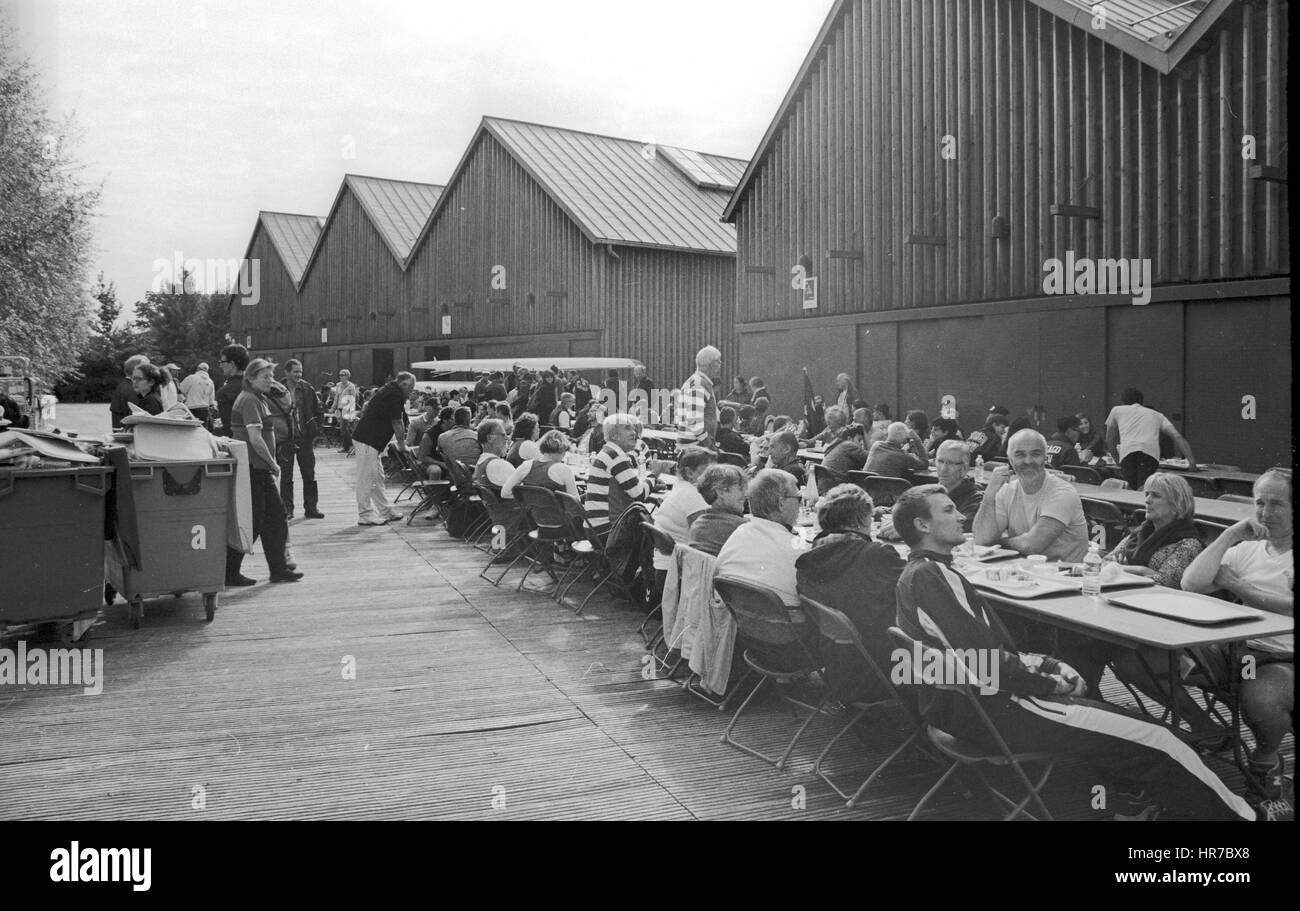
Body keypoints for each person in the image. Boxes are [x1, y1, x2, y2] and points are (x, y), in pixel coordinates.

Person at [892, 485, 1276, 822]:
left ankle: (1135, 802)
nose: (961, 515)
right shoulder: (933, 576)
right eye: (947, 510)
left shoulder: (919, 573)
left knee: (1119, 722)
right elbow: (985, 665)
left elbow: (976, 655)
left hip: (962, 709)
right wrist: (1050, 683)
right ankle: (1249, 816)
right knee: (1158, 737)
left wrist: (1045, 663)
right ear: (922, 526)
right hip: (999, 712)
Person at [1182, 470, 1294, 800]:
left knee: (1260, 697)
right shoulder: (1248, 550)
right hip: (1243, 650)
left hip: (1284, 655)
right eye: (1259, 503)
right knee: (1161, 658)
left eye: (1277, 504)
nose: (1265, 513)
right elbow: (1192, 582)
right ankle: (1198, 736)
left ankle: (1266, 756)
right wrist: (1230, 534)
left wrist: (1237, 585)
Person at [1102, 474, 1214, 739]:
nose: (1147, 501)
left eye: (1155, 495)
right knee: (1086, 643)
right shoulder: (1142, 532)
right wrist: (1134, 570)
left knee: (1124, 660)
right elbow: (1107, 561)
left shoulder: (1188, 543)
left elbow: (1164, 585)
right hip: (1128, 616)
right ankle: (1097, 707)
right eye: (1146, 494)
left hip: (1169, 630)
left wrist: (1122, 569)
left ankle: (1203, 725)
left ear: (1177, 504)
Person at [796, 484, 905, 702]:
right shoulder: (875, 555)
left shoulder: (813, 553)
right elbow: (916, 585)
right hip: (882, 668)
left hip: (837, 664)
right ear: (863, 520)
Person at [228, 359, 302, 584]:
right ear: (250, 378)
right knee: (258, 520)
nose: (271, 380)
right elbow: (255, 439)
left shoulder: (257, 398)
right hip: (254, 468)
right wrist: (273, 463)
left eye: (271, 376)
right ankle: (229, 571)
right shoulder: (250, 400)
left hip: (256, 468)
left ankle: (277, 569)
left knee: (273, 519)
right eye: (265, 377)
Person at [973, 429, 1089, 562]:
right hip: (1027, 573)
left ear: (1045, 458)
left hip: (1067, 577)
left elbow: (1031, 545)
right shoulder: (1006, 491)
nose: (1028, 461)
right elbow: (982, 539)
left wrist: (996, 544)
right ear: (1010, 460)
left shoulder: (1062, 492)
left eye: (1035, 454)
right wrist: (989, 495)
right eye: (1020, 455)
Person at [714, 469, 803, 610]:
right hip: (788, 627)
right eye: (798, 499)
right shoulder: (798, 550)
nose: (800, 505)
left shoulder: (739, 533)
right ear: (781, 504)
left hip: (742, 623)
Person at [351, 371, 416, 526]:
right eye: (411, 388)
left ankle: (385, 510)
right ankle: (365, 514)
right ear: (403, 384)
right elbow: (397, 422)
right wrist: (402, 445)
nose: (411, 391)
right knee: (367, 478)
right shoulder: (394, 394)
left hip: (372, 442)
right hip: (368, 440)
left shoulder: (391, 390)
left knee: (377, 477)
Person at [1106, 387, 1198, 490]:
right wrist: (1192, 462)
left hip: (1127, 454)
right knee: (1144, 487)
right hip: (1150, 455)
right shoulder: (1157, 415)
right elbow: (1177, 437)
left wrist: (1118, 461)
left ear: (1123, 402)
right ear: (1142, 401)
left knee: (1131, 488)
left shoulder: (1116, 410)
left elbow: (1109, 440)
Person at [650, 447, 715, 575]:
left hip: (663, 566)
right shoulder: (693, 496)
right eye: (707, 473)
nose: (712, 478)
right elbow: (704, 540)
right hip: (676, 572)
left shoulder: (680, 487)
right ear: (690, 473)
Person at [583, 413, 649, 539]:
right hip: (607, 531)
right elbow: (639, 494)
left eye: (633, 428)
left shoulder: (608, 451)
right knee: (652, 532)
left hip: (594, 528)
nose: (634, 432)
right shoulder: (615, 455)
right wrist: (653, 478)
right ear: (614, 436)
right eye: (627, 428)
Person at [278, 359, 323, 520]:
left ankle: (311, 508)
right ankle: (287, 509)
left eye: (300, 371)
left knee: (309, 474)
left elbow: (319, 410)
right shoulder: (276, 389)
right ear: (287, 372)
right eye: (296, 371)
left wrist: (316, 430)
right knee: (286, 475)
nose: (299, 374)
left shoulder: (307, 388)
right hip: (285, 438)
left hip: (304, 437)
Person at [687, 464, 749, 556]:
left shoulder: (698, 524)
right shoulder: (740, 528)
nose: (745, 494)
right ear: (721, 492)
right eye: (740, 489)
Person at [501, 430, 581, 501]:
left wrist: (528, 500)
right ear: (561, 450)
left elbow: (505, 493)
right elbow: (575, 503)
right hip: (559, 516)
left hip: (532, 516)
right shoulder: (564, 469)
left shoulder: (527, 465)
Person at [676, 345, 722, 449]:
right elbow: (694, 421)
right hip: (697, 449)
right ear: (710, 363)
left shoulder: (693, 381)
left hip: (690, 445)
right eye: (718, 361)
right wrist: (709, 444)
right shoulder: (700, 384)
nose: (720, 365)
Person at [815, 423, 869, 495]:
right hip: (837, 488)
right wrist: (865, 435)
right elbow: (871, 457)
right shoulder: (849, 445)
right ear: (849, 439)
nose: (861, 444)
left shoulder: (835, 445)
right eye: (859, 440)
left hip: (824, 488)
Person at [109, 355, 150, 429]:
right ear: (136, 370)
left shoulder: (122, 386)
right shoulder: (134, 390)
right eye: (146, 368)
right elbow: (136, 418)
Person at [179, 362, 215, 427]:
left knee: (190, 430)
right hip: (205, 410)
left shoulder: (191, 378)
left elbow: (181, 389)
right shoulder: (210, 382)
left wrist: (186, 396)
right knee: (203, 431)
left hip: (192, 409)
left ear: (198, 368)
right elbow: (211, 400)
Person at [333, 369, 359, 454]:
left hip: (347, 408)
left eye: (343, 375)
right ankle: (348, 446)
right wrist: (334, 407)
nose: (341, 376)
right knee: (343, 428)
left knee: (345, 428)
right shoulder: (338, 385)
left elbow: (354, 398)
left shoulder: (351, 386)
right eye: (340, 375)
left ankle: (348, 445)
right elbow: (336, 397)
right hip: (340, 408)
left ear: (348, 376)